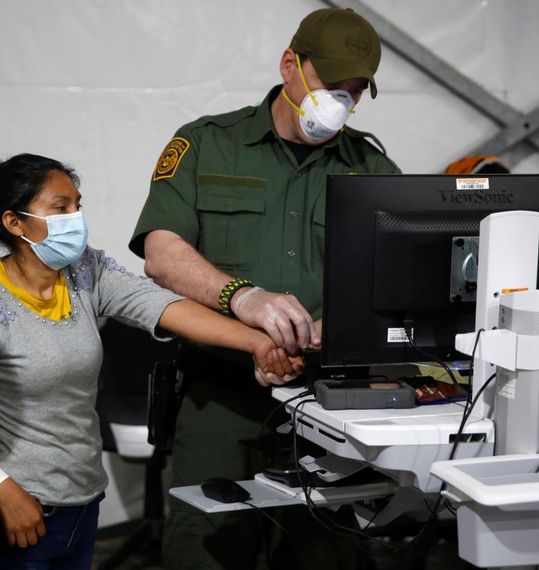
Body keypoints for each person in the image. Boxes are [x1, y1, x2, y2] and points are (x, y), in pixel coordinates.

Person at [0, 152, 304, 569]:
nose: (76, 218)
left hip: (84, 501)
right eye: (60, 208)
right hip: (18, 509)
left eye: (77, 205)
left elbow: (160, 305)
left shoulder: (84, 271)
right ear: (14, 223)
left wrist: (257, 342)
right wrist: (1, 488)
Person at [129, 7, 400, 569]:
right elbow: (163, 254)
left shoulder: (371, 169)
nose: (339, 104)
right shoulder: (206, 144)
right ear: (290, 66)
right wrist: (244, 299)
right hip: (218, 399)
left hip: (326, 408)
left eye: (353, 93)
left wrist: (341, 327)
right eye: (330, 86)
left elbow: (397, 282)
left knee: (319, 549)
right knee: (207, 548)